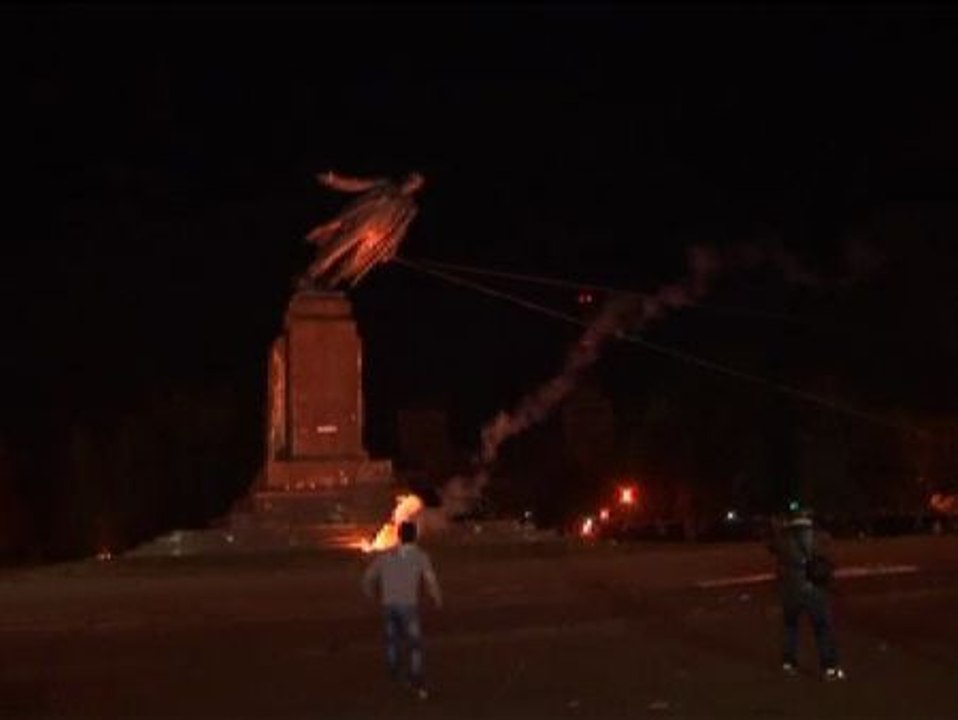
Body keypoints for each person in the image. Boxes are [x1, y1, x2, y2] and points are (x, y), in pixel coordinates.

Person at [362, 520, 442, 699]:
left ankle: (394, 670)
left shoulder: (386, 555)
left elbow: (368, 577)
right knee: (414, 644)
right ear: (415, 536)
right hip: (408, 605)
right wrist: (437, 597)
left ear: (399, 535)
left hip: (389, 604)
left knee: (392, 640)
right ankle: (416, 676)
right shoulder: (421, 556)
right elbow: (430, 580)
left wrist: (370, 594)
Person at [768, 504, 846, 681]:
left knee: (790, 627)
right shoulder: (819, 536)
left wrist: (777, 528)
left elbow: (771, 546)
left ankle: (789, 662)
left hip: (790, 588)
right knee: (822, 628)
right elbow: (830, 559)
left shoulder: (783, 537)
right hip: (814, 588)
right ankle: (829, 666)